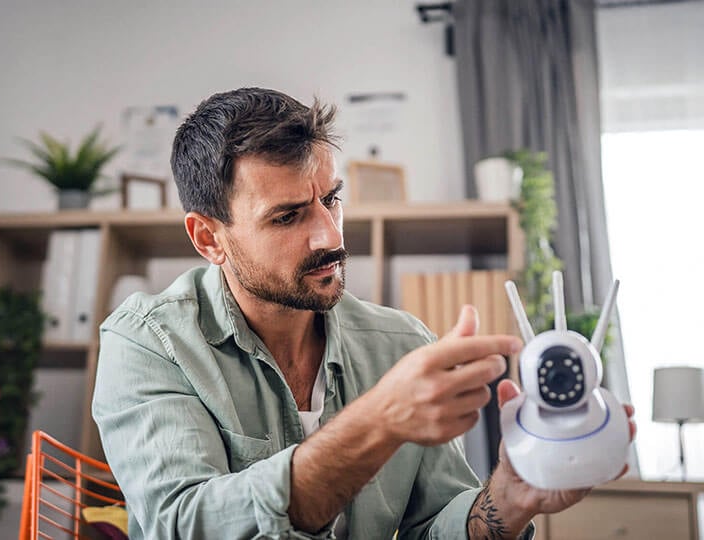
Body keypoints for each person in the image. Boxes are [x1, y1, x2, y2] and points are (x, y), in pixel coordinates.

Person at [92, 87, 635, 540]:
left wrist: (510, 500)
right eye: (287, 217)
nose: (329, 235)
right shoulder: (148, 343)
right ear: (208, 238)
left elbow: (433, 526)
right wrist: (379, 420)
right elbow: (182, 524)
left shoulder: (401, 342)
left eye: (332, 199)